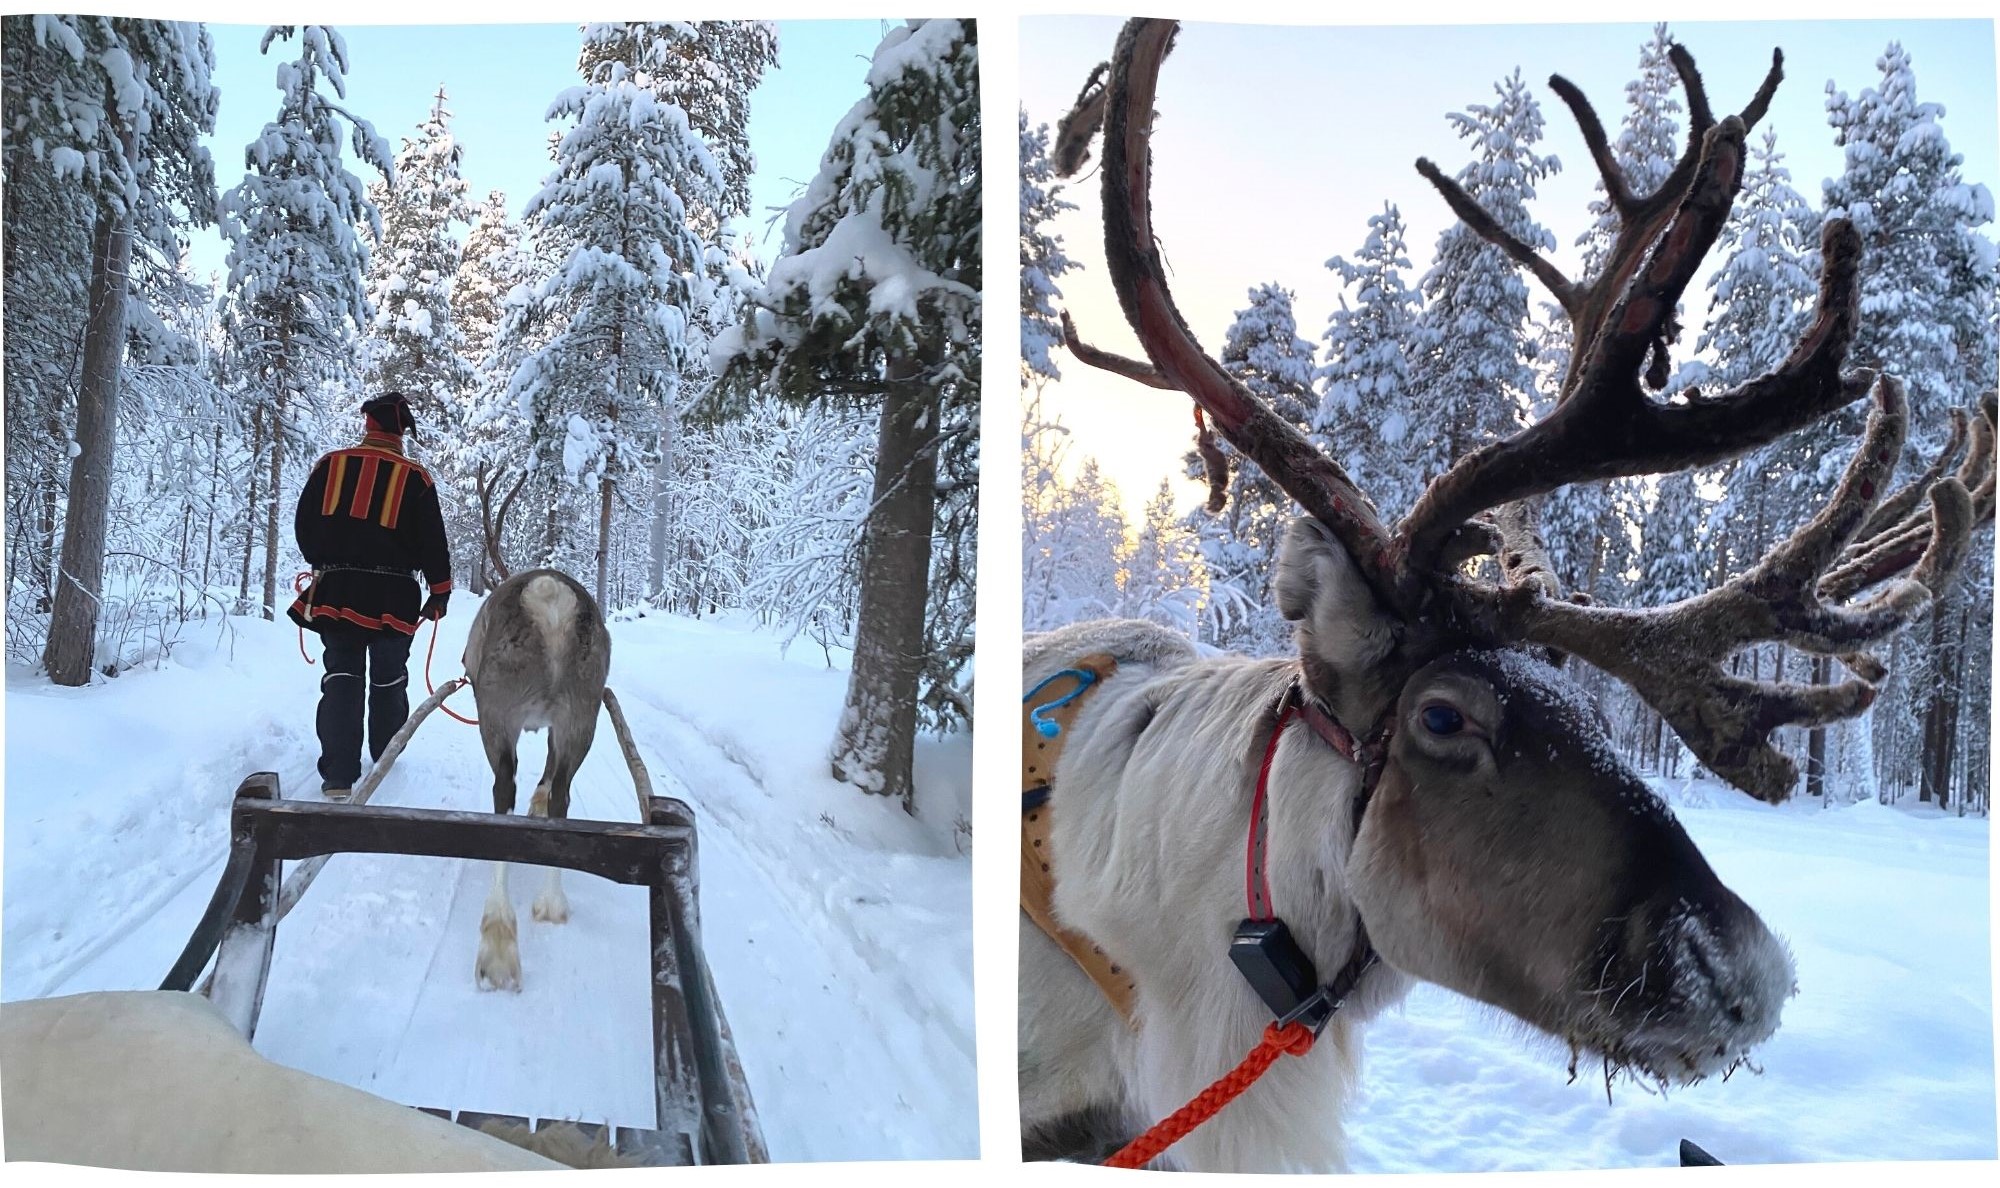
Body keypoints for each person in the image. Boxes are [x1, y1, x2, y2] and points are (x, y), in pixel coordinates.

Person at [286, 392, 452, 799]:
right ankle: (385, 759)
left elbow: (304, 524)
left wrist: (324, 561)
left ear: (369, 425)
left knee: (341, 676)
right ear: (401, 431)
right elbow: (433, 542)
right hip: (395, 595)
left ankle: (339, 775)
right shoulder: (416, 477)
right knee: (389, 678)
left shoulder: (331, 465)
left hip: (338, 589)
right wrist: (439, 591)